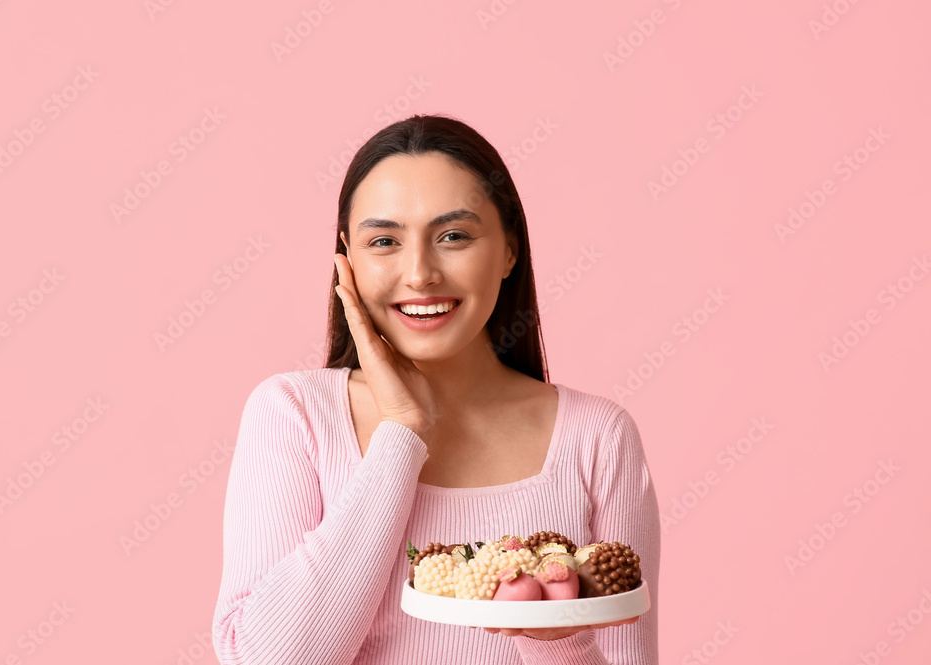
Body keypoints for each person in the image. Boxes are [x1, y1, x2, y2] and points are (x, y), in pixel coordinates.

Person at [212, 114, 660, 664]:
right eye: (384, 241)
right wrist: (401, 435)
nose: (420, 273)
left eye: (454, 236)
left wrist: (558, 630)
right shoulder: (293, 414)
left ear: (509, 251)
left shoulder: (597, 437)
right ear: (347, 260)